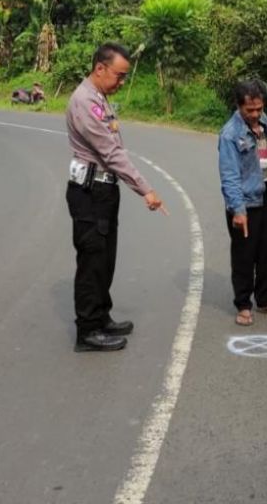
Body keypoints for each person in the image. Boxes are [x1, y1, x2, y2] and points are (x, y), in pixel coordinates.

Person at [65, 43, 167, 352]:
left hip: (104, 190)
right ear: (100, 69)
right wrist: (145, 189)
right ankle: (87, 330)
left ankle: (101, 317)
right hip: (90, 192)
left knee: (105, 258)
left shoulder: (99, 99)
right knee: (92, 260)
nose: (121, 82)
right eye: (119, 76)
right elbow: (110, 152)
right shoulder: (84, 101)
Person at [217, 80, 267, 327]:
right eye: (250, 110)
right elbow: (229, 176)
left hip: (263, 196)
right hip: (244, 204)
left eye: (259, 108)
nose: (256, 114)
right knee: (244, 256)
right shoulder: (230, 134)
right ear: (239, 106)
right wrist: (238, 210)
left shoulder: (264, 122)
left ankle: (265, 298)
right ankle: (244, 304)